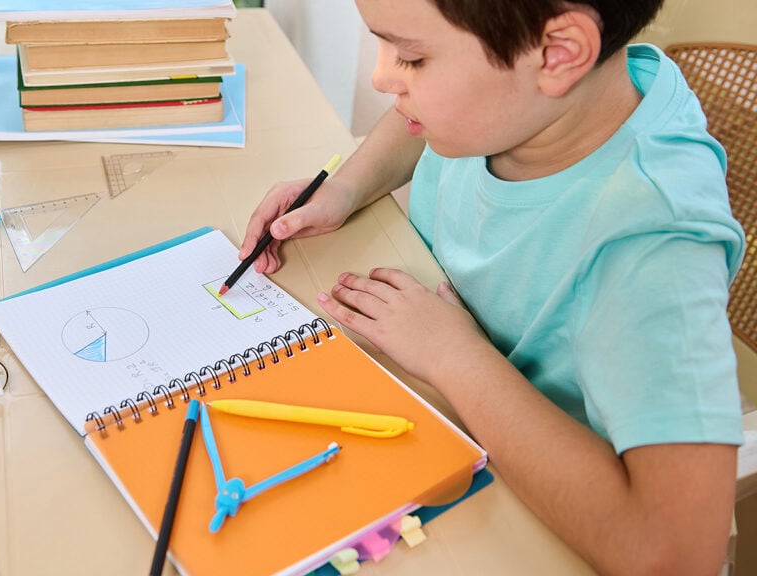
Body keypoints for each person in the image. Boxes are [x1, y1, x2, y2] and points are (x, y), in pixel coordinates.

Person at [241, 1, 745, 574]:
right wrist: (348, 188)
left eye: (411, 56)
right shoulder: (543, 100)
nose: (383, 78)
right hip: (440, 398)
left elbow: (676, 554)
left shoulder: (653, 241)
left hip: (537, 502)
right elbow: (424, 117)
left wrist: (454, 356)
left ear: (559, 54)